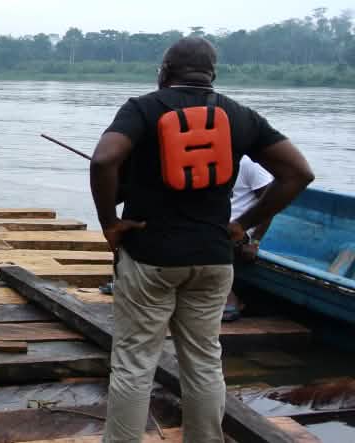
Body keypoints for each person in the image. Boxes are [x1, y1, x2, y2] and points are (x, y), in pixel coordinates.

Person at [90, 37, 313, 442]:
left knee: (134, 363)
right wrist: (243, 224)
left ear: (164, 69)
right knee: (205, 362)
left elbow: (105, 159)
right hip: (214, 259)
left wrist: (110, 223)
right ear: (212, 73)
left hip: (150, 256)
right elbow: (298, 173)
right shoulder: (239, 115)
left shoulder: (143, 108)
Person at [224, 156, 275, 321]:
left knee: (212, 243)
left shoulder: (250, 164)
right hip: (218, 224)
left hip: (241, 230)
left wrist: (255, 241)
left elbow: (269, 204)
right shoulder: (217, 161)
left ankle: (230, 298)